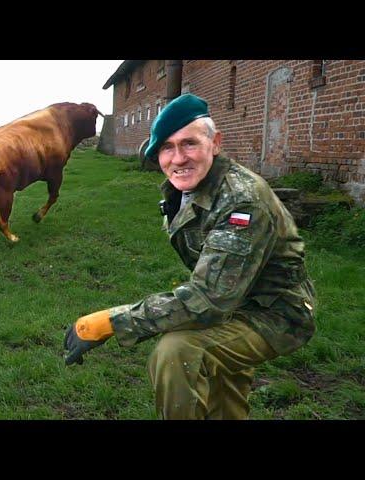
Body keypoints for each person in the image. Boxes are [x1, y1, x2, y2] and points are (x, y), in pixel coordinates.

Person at [63, 93, 316, 420]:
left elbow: (209, 298)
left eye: (189, 144)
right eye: (167, 147)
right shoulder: (186, 189)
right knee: (225, 392)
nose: (178, 158)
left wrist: (112, 321)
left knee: (178, 351)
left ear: (215, 143)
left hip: (276, 313)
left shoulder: (242, 202)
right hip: (233, 299)